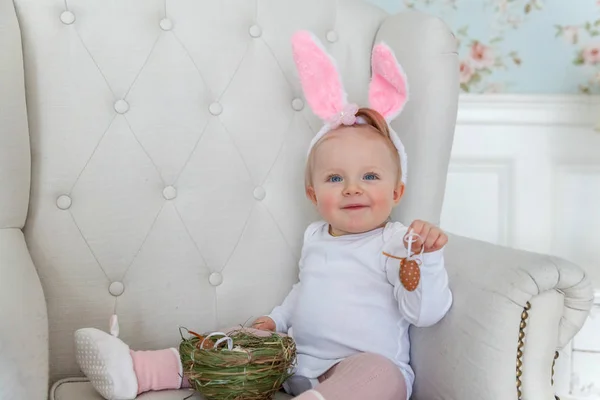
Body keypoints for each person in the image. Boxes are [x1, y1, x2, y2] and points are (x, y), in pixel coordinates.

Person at [73, 30, 452, 400]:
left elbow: (424, 314)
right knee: (236, 340)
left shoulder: (399, 242)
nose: (353, 187)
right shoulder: (317, 236)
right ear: (313, 194)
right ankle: (140, 370)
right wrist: (275, 322)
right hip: (293, 364)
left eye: (370, 176)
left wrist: (427, 259)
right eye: (335, 178)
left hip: (359, 374)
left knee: (379, 372)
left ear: (396, 191)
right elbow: (306, 292)